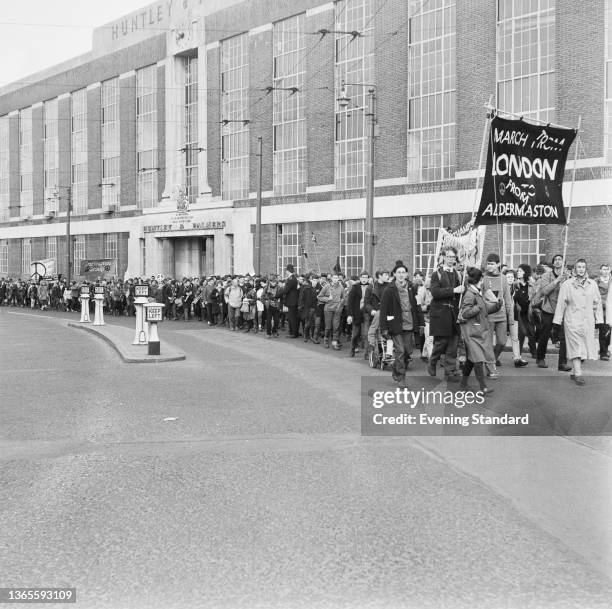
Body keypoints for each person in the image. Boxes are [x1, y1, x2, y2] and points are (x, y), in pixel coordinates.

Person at [553, 259, 603, 385]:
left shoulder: (592, 284)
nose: (581, 269)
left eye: (583, 267)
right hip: (572, 321)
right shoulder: (567, 284)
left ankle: (573, 371)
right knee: (576, 347)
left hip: (587, 321)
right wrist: (557, 321)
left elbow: (597, 303)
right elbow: (560, 304)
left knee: (584, 348)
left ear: (586, 269)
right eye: (579, 267)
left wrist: (599, 320)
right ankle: (578, 374)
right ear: (575, 269)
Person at [379, 261, 424, 388]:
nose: (401, 274)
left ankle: (395, 368)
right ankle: (401, 377)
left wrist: (420, 323)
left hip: (409, 323)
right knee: (400, 350)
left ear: (406, 274)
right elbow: (383, 310)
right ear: (394, 274)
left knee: (408, 351)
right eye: (398, 272)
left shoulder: (412, 288)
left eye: (403, 272)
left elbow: (417, 306)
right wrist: (384, 328)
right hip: (396, 324)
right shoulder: (389, 289)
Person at [459, 267, 502, 395]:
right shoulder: (470, 294)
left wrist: (497, 306)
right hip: (471, 332)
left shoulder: (477, 292)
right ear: (480, 279)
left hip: (477, 331)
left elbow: (485, 309)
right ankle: (483, 387)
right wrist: (477, 308)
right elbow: (465, 313)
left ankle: (463, 383)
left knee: (472, 360)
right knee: (478, 359)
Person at [428, 246, 464, 381]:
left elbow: (461, 294)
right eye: (448, 256)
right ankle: (433, 361)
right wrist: (454, 290)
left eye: (453, 257)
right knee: (441, 343)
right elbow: (435, 292)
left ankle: (449, 371)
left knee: (453, 344)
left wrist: (463, 289)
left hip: (454, 313)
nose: (451, 259)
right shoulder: (436, 274)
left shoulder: (458, 274)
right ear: (443, 257)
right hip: (440, 313)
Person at [536, 254, 571, 371]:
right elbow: (545, 291)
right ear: (553, 263)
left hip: (562, 311)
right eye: (555, 260)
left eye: (560, 260)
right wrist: (557, 281)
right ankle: (540, 358)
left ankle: (562, 363)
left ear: (564, 263)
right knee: (544, 335)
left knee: (563, 338)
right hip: (548, 310)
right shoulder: (546, 275)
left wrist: (565, 281)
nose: (557, 261)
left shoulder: (568, 277)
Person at [482, 253, 513, 373]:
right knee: (488, 344)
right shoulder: (483, 278)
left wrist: (510, 318)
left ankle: (493, 359)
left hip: (501, 315)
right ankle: (491, 368)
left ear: (498, 264)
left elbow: (508, 299)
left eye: (492, 264)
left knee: (502, 342)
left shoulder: (504, 279)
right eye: (488, 263)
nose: (489, 266)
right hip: (488, 315)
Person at [318, 272, 345, 350]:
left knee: (336, 327)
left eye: (337, 278)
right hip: (328, 309)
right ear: (331, 279)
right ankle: (326, 339)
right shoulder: (327, 287)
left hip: (337, 310)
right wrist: (327, 299)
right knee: (328, 327)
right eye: (334, 278)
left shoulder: (341, 287)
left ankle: (334, 343)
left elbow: (344, 298)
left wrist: (341, 303)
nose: (336, 279)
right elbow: (319, 297)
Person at [346, 271, 371, 357]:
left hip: (367, 312)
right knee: (355, 334)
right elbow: (350, 301)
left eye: (366, 277)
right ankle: (352, 349)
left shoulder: (370, 287)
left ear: (368, 278)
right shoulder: (355, 287)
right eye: (363, 277)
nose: (364, 279)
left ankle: (366, 353)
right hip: (357, 312)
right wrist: (349, 315)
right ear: (360, 278)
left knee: (366, 334)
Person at [595, 264, 610, 361]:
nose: (605, 271)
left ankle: (605, 349)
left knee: (608, 331)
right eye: (603, 269)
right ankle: (603, 352)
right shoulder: (596, 281)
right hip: (600, 309)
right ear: (600, 271)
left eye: (607, 269)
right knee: (603, 331)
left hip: (610, 309)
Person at [283, 264, 300, 338]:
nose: (286, 272)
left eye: (286, 270)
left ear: (288, 271)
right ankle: (294, 331)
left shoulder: (291, 279)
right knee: (293, 317)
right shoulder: (293, 278)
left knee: (292, 318)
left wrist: (276, 295)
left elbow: (286, 290)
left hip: (292, 301)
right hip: (293, 301)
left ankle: (293, 333)